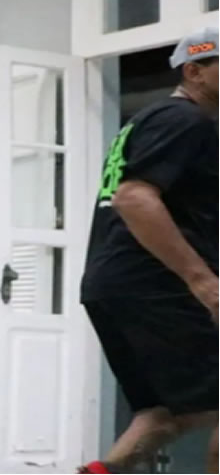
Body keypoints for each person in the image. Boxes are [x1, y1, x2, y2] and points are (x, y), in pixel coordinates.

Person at [78, 26, 218, 475]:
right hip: (157, 285)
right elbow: (134, 198)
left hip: (113, 286)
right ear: (194, 71)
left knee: (161, 413)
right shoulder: (185, 121)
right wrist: (202, 280)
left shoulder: (149, 120)